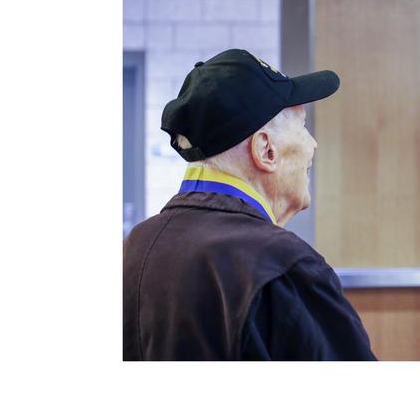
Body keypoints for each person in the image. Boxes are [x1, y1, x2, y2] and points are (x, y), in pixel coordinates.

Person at [123, 49, 375, 361]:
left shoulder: (134, 248)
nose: (313, 144)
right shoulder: (282, 267)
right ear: (265, 150)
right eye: (303, 126)